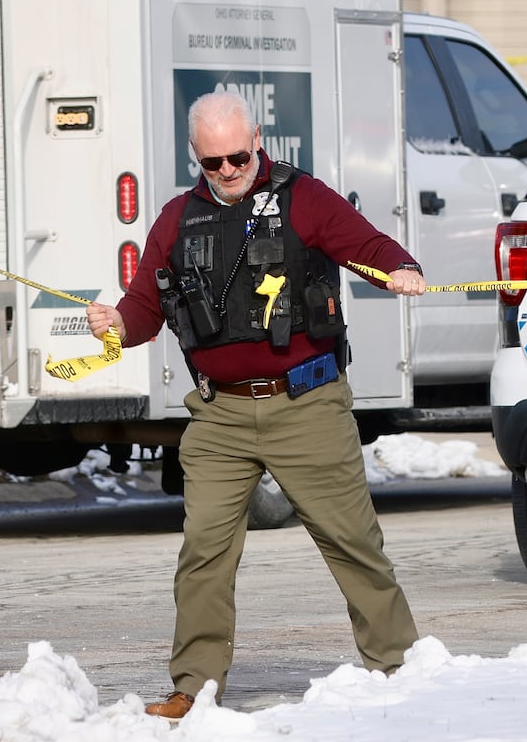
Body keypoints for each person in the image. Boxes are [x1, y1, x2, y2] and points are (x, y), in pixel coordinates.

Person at [86, 90, 424, 720]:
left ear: (258, 141)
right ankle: (194, 687)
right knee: (204, 552)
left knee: (352, 541)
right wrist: (113, 324)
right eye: (213, 163)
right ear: (196, 156)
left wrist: (400, 267)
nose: (228, 172)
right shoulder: (175, 221)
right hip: (220, 416)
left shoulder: (305, 199)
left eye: (237, 157)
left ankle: (400, 667)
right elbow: (143, 311)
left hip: (307, 404)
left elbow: (370, 247)